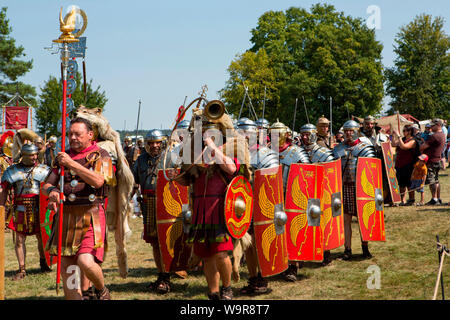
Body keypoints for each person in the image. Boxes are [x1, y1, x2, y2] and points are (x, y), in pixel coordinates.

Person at [172, 108, 251, 300]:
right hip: (200, 210)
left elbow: (231, 168)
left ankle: (227, 288)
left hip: (220, 210)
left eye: (211, 132)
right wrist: (176, 177)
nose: (208, 135)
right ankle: (213, 292)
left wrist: (212, 147)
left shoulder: (230, 149)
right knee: (206, 255)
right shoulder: (196, 155)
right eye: (205, 132)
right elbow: (187, 180)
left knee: (221, 254)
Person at [43, 117, 114, 300]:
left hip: (91, 215)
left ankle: (102, 290)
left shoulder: (102, 155)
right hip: (66, 217)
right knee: (68, 268)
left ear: (90, 135)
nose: (73, 138)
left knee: (85, 261)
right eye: (70, 134)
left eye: (77, 134)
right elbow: (46, 185)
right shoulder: (62, 157)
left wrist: (72, 163)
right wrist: (52, 192)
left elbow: (98, 181)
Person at [236, 118, 279, 296]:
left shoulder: (266, 154)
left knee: (261, 243)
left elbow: (272, 182)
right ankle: (253, 277)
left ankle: (262, 277)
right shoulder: (233, 155)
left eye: (247, 133)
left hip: (262, 205)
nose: (244, 137)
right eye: (240, 133)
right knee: (248, 244)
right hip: (241, 205)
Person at [0, 143, 52, 280]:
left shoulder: (44, 170)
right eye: (31, 155)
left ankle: (44, 262)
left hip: (39, 209)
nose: (34, 157)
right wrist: (1, 208)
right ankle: (22, 268)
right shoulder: (12, 170)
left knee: (42, 238)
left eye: (36, 154)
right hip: (20, 209)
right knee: (19, 239)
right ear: (23, 155)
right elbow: (3, 189)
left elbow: (51, 187)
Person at [132, 129, 173, 293]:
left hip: (168, 203)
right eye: (150, 143)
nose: (154, 146)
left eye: (157, 142)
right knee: (155, 241)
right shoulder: (140, 160)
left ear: (162, 142)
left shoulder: (170, 158)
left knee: (168, 239)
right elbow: (133, 180)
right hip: (148, 202)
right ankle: (162, 274)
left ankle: (169, 273)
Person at [269, 121, 310, 281]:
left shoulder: (297, 152)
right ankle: (278, 263)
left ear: (285, 134)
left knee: (292, 231)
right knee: (275, 231)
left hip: (292, 198)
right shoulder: (267, 152)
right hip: (272, 197)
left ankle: (293, 266)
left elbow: (307, 176)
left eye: (277, 134)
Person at [333, 120, 377, 260]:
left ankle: (365, 248)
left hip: (361, 188)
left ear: (357, 131)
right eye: (346, 131)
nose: (348, 133)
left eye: (351, 130)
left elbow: (371, 171)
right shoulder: (338, 149)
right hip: (344, 187)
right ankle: (347, 249)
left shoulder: (365, 148)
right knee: (346, 220)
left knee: (363, 219)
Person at [299, 123, 336, 266]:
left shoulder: (323, 153)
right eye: (303, 134)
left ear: (314, 134)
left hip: (321, 193)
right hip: (303, 194)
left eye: (307, 134)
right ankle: (302, 254)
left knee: (322, 223)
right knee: (303, 225)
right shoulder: (298, 151)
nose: (304, 137)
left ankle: (326, 253)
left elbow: (331, 173)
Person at [420, 119, 446, 205]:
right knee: (436, 180)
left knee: (432, 180)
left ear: (438, 125)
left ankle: (434, 199)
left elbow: (423, 147)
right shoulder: (442, 135)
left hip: (431, 160)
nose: (430, 127)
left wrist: (422, 143)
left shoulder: (434, 136)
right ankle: (438, 198)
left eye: (432, 125)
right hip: (437, 159)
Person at [392, 125, 418, 205]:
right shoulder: (403, 139)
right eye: (403, 131)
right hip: (400, 164)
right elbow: (393, 144)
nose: (403, 132)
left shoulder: (413, 141)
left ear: (409, 131)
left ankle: (411, 199)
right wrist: (393, 135)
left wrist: (399, 136)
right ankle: (402, 200)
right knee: (401, 184)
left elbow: (404, 147)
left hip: (408, 164)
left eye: (404, 131)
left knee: (409, 184)